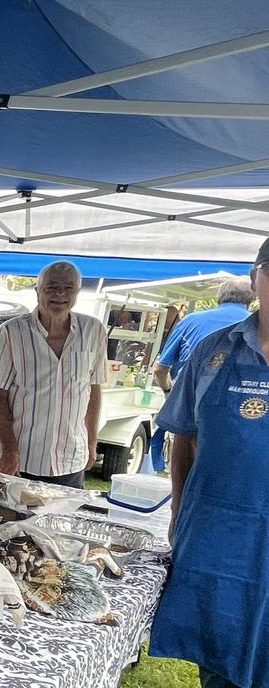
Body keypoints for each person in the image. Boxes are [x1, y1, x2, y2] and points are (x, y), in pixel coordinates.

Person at [150, 238, 269, 688]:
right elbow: (184, 434)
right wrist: (178, 511)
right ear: (256, 277)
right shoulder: (213, 350)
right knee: (217, 647)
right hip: (215, 527)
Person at [0, 261, 107, 488]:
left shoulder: (94, 330)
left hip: (69, 461)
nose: (60, 294)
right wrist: (9, 450)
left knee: (61, 523)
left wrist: (92, 443)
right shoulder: (11, 332)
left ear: (77, 292)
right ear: (37, 291)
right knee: (3, 521)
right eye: (51, 287)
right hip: (15, 460)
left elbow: (93, 390)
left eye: (68, 288)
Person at [147, 277, 254, 471]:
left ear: (219, 298)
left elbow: (160, 368)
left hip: (190, 404)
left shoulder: (191, 320)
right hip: (239, 411)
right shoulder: (255, 326)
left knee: (184, 464)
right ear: (251, 299)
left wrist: (168, 391)